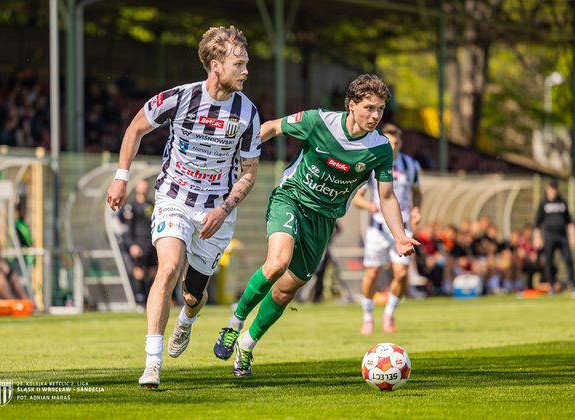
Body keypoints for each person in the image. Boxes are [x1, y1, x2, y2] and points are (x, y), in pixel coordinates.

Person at [212, 74, 419, 377]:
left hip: (324, 218)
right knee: (277, 263)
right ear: (351, 105)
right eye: (369, 108)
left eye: (380, 109)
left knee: (286, 290)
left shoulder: (380, 149)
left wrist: (399, 236)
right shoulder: (318, 121)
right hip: (291, 198)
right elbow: (272, 127)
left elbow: (386, 197)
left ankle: (246, 345)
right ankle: (233, 325)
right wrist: (236, 155)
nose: (375, 116)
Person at [105, 26, 262, 388]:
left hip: (216, 210)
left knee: (193, 294)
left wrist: (224, 209)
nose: (245, 71)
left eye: (246, 64)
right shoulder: (179, 98)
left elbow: (249, 173)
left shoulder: (247, 112)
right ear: (215, 65)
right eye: (238, 64)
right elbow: (135, 128)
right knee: (168, 268)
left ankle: (187, 321)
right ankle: (152, 363)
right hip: (173, 198)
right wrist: (121, 177)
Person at [352, 123, 422, 334]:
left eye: (395, 143)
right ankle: (367, 315)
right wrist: (371, 206)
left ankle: (389, 313)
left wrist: (417, 209)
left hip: (403, 228)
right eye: (388, 142)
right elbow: (357, 199)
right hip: (378, 228)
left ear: (400, 144)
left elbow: (417, 192)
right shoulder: (373, 163)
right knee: (372, 272)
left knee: (401, 274)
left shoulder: (411, 165)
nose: (392, 146)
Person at [119, 179, 157, 310]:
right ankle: (140, 301)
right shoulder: (131, 207)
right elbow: (128, 228)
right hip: (139, 243)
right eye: (142, 186)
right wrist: (132, 244)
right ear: (136, 188)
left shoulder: (151, 205)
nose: (145, 188)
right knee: (139, 272)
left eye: (146, 186)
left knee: (153, 272)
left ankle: (150, 300)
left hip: (151, 243)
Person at [533, 178, 575, 297]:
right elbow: (537, 223)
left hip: (562, 237)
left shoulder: (562, 202)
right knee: (549, 262)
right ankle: (551, 286)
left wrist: (572, 236)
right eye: (551, 188)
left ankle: (573, 285)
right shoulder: (544, 203)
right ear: (548, 189)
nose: (553, 190)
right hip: (549, 237)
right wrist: (537, 237)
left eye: (555, 188)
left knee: (568, 260)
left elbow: (569, 221)